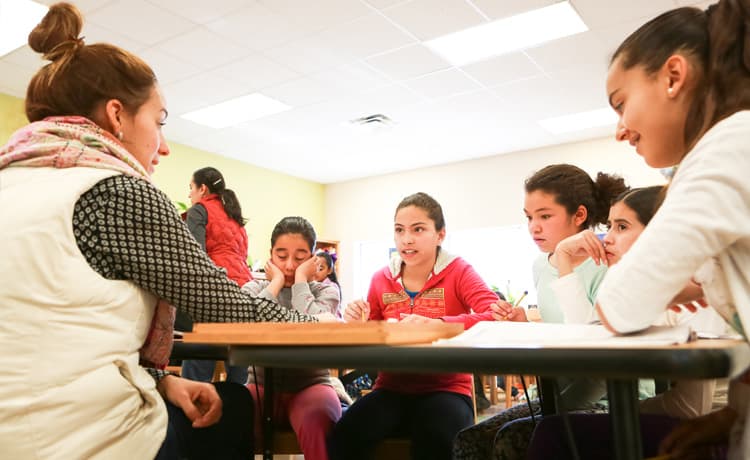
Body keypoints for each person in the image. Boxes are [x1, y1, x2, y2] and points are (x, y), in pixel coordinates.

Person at [0, 4, 324, 459]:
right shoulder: (113, 189)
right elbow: (225, 306)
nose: (165, 146)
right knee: (232, 407)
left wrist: (162, 379)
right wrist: (333, 328)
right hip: (70, 441)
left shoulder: (11, 179)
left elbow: (52, 333)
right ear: (117, 116)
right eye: (160, 121)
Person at [587, 2, 750, 458]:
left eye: (621, 103)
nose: (620, 130)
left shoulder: (725, 146)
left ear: (673, 76)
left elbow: (620, 306)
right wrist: (735, 414)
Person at [527, 186, 725, 459]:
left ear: (660, 234)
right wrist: (564, 259)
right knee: (549, 428)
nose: (607, 238)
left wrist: (622, 411)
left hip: (715, 429)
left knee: (551, 432)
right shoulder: (653, 290)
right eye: (609, 226)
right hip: (692, 419)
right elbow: (585, 333)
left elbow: (693, 408)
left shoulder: (691, 290)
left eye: (621, 227)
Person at [453, 164, 629, 460]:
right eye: (529, 217)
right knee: (469, 439)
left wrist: (554, 406)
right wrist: (525, 325)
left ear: (579, 216)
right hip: (559, 397)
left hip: (612, 397)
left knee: (511, 439)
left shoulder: (606, 264)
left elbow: (599, 357)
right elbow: (560, 331)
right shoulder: (541, 265)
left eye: (545, 216)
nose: (534, 226)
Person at [330, 192, 500, 460]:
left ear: (440, 235)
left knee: (435, 438)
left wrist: (439, 324)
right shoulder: (380, 278)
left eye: (418, 229)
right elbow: (372, 329)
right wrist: (357, 322)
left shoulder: (459, 271)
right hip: (391, 389)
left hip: (448, 389)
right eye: (400, 230)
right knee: (344, 435)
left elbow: (494, 313)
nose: (406, 239)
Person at [241, 216, 342, 460]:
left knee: (317, 422)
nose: (288, 265)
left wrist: (299, 281)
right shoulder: (253, 289)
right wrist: (275, 284)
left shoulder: (327, 291)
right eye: (281, 256)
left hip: (311, 384)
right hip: (260, 385)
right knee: (234, 417)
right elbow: (250, 321)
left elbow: (314, 326)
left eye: (299, 258)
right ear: (270, 256)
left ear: (313, 260)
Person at [181, 166, 252, 385]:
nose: (189, 194)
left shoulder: (199, 210)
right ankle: (236, 412)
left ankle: (192, 415)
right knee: (238, 366)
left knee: (198, 366)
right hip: (244, 292)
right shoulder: (235, 217)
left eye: (191, 188)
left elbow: (196, 256)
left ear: (202, 189)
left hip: (215, 291)